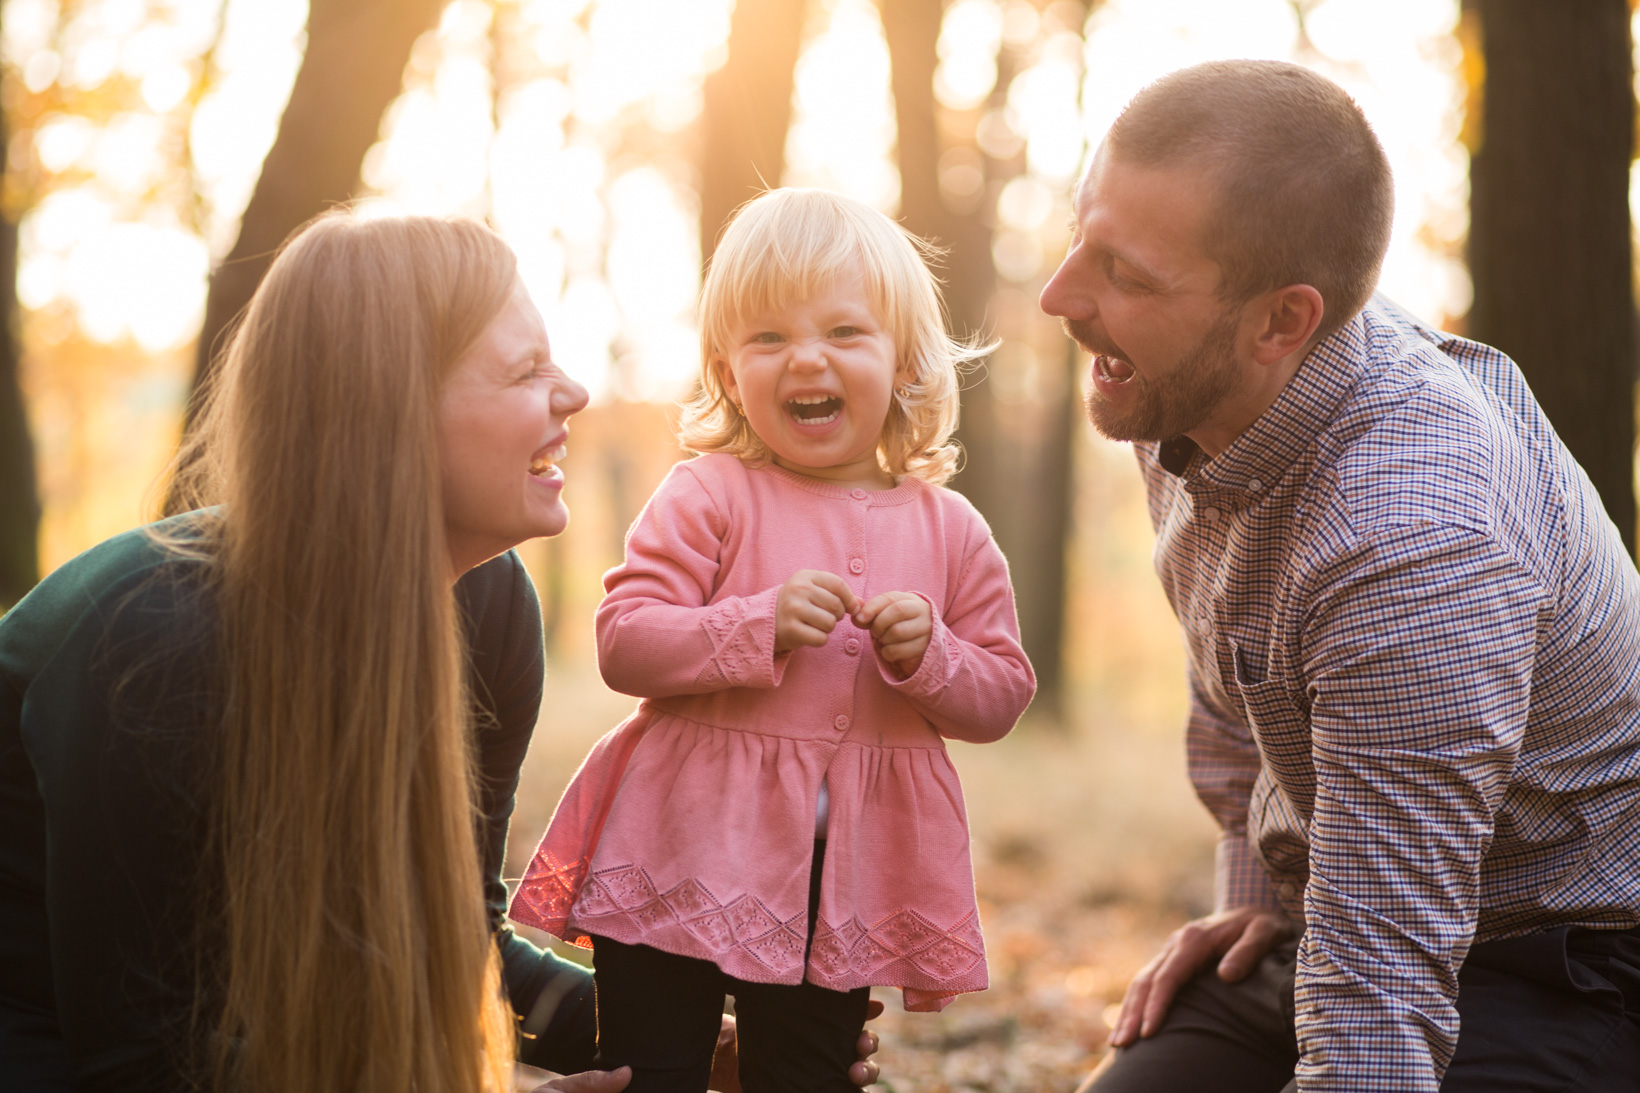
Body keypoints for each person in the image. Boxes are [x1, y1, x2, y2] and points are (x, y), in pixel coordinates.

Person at [0, 213, 881, 1093]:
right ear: (387, 406)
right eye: (524, 370)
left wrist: (672, 1042)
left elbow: (455, 941)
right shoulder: (150, 648)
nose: (571, 392)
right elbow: (140, 1057)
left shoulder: (490, 608)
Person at [1039, 61, 1640, 1093]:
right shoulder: (1183, 380)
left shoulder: (1409, 540)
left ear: (1281, 322)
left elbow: (1380, 1000)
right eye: (1081, 237)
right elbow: (1239, 701)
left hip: (1560, 962)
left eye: (1125, 275)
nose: (1061, 295)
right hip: (1342, 914)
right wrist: (1262, 909)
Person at [509, 188, 1037, 1092]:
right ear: (727, 367)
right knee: (653, 1065)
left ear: (904, 360)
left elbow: (1000, 693)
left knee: (808, 1071)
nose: (806, 358)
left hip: (838, 879)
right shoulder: (709, 493)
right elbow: (626, 639)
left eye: (843, 332)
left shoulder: (951, 529)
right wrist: (751, 625)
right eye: (768, 339)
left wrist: (930, 656)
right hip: (679, 840)